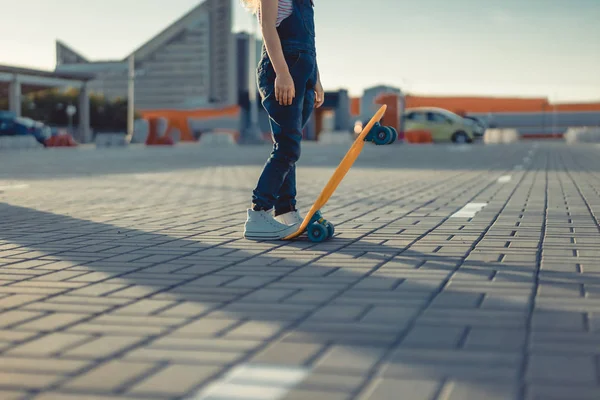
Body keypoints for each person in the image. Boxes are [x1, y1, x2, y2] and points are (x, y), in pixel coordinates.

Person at [241, 0, 324, 240]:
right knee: (287, 148)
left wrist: (316, 79)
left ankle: (286, 213)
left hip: (304, 73)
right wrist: (282, 73)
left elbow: (310, 44)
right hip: (282, 71)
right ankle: (258, 213)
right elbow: (268, 27)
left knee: (289, 147)